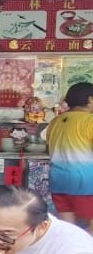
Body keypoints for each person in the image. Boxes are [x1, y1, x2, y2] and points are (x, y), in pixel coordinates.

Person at [45, 82, 93, 231]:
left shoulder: (55, 122)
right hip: (85, 184)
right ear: (90, 99)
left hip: (59, 182)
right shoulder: (89, 121)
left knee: (68, 229)